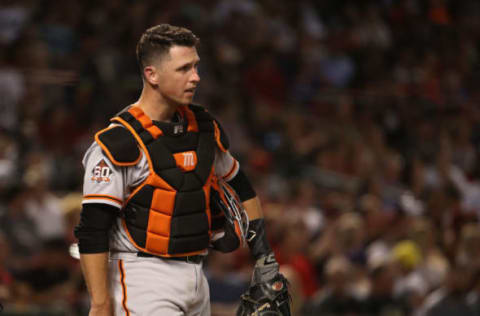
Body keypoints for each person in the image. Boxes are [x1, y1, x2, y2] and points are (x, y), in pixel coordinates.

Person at [74, 24, 289, 316]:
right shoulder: (119, 142)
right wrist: (100, 303)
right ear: (152, 74)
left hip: (198, 276)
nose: (196, 77)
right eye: (184, 69)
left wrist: (263, 256)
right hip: (141, 277)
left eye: (196, 67)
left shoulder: (202, 128)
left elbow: (241, 186)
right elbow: (92, 229)